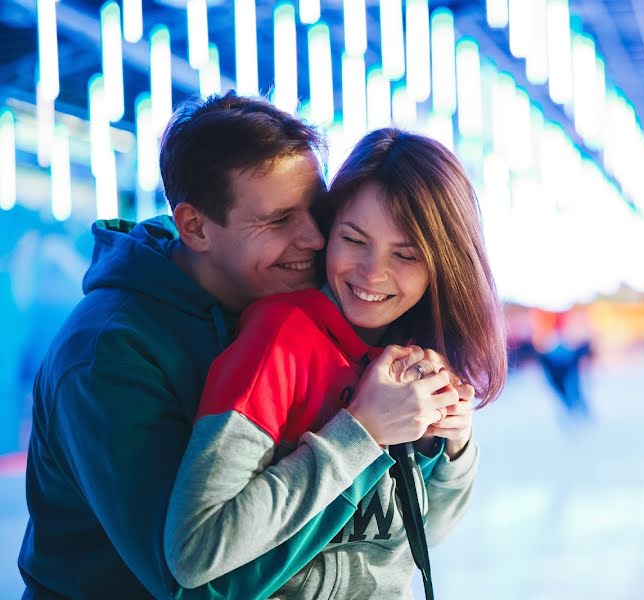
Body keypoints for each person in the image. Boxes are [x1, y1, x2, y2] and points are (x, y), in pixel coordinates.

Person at [17, 93, 458, 598]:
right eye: (278, 220)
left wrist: (438, 445)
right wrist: (362, 437)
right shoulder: (106, 358)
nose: (316, 238)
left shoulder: (293, 299)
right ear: (196, 227)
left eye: (317, 210)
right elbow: (198, 585)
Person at [164, 128, 508, 599]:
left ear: (443, 266)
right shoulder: (281, 338)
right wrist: (361, 432)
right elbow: (195, 550)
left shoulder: (418, 355)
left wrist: (454, 449)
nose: (371, 273)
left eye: (405, 254)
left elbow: (407, 544)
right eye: (353, 239)